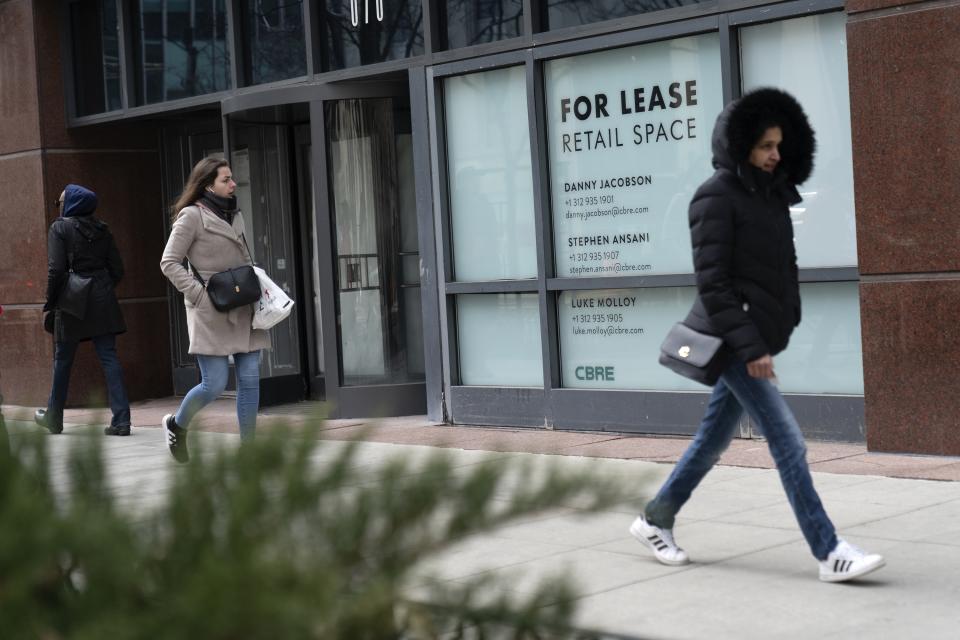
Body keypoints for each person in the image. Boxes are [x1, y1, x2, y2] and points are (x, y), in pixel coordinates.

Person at [629, 88, 885, 583]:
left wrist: (784, 320)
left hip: (756, 338)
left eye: (779, 146)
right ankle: (829, 551)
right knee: (789, 442)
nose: (774, 155)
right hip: (732, 342)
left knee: (711, 440)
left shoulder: (769, 196)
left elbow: (780, 269)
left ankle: (654, 518)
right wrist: (751, 347)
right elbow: (714, 284)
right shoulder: (714, 197)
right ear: (742, 143)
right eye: (765, 146)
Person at [159, 157, 269, 463]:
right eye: (226, 179)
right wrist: (199, 295)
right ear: (208, 185)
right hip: (212, 309)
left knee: (249, 378)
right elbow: (168, 262)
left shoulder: (234, 213)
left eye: (232, 178)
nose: (233, 184)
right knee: (215, 383)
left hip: (244, 303)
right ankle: (177, 426)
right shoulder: (191, 217)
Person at [35, 185, 131, 436]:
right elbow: (117, 269)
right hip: (102, 298)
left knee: (63, 361)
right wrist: (100, 287)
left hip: (71, 301)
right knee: (109, 357)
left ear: (71, 204)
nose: (60, 206)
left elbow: (56, 270)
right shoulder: (103, 229)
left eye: (61, 202)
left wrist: (51, 300)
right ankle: (122, 421)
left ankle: (54, 418)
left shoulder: (59, 227)